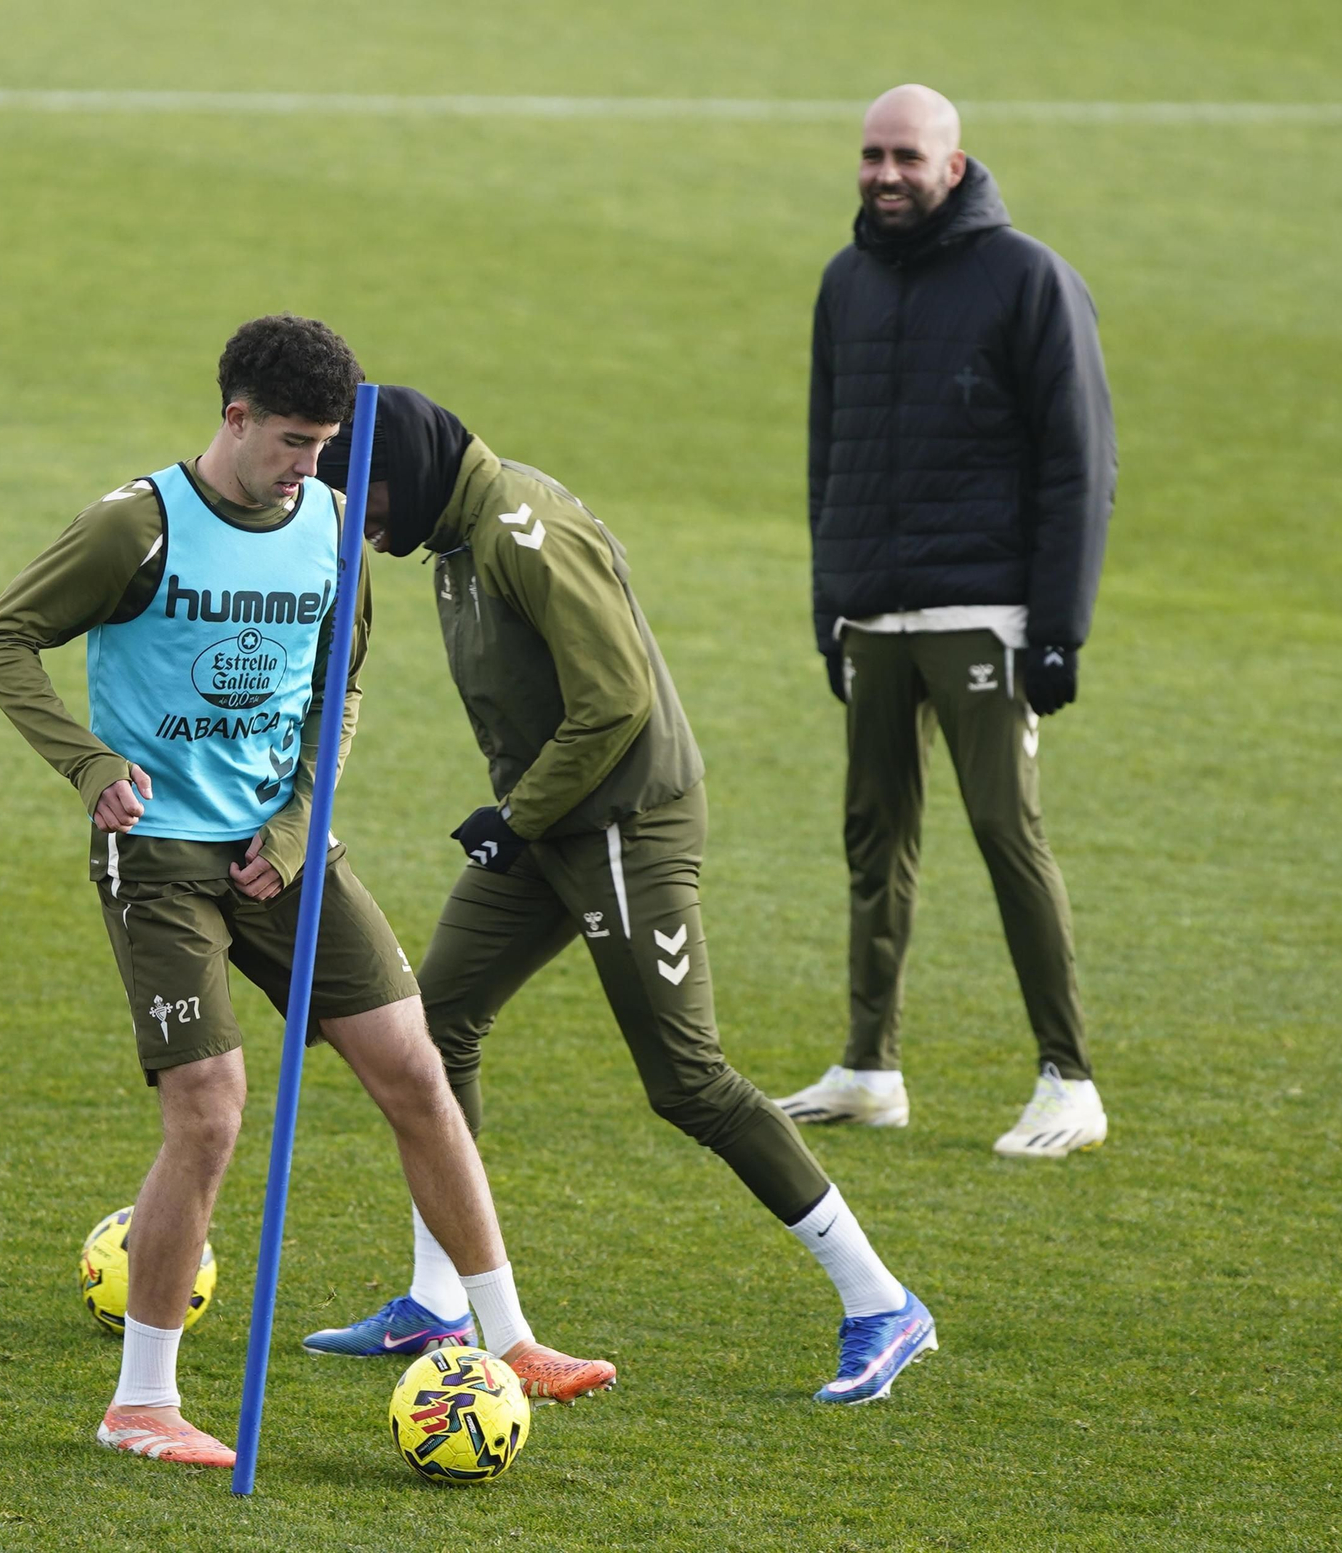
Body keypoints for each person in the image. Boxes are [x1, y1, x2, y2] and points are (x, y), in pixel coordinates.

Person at [0, 316, 613, 1469]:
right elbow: (3, 637)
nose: (316, 468)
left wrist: (304, 814)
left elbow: (340, 685)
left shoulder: (329, 524)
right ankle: (141, 1402)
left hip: (284, 849)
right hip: (159, 848)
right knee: (210, 1106)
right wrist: (88, 763)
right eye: (297, 442)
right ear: (236, 418)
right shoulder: (138, 524)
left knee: (416, 1067)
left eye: (328, 445)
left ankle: (509, 1335)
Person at [298, 386, 937, 1406]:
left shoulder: (523, 530)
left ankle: (881, 1302)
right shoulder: (454, 540)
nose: (362, 523)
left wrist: (517, 814)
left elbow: (616, 699)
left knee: (687, 1078)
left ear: (409, 467)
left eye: (362, 495)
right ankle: (439, 1300)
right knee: (434, 1025)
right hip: (549, 823)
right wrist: (523, 816)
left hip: (623, 826)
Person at [771, 86, 1117, 1158]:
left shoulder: (1026, 278)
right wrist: (832, 608)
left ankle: (1070, 1079)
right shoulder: (846, 281)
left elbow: (1079, 464)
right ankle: (869, 1067)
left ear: (953, 165)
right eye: (871, 154)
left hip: (985, 616)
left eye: (905, 156)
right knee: (874, 841)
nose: (884, 174)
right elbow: (829, 453)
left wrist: (1056, 629)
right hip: (875, 617)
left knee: (1006, 837)